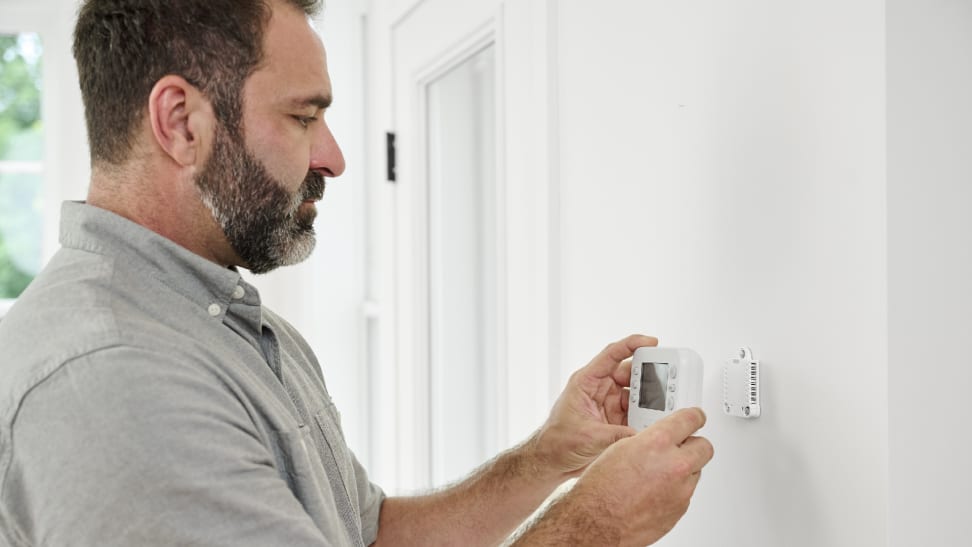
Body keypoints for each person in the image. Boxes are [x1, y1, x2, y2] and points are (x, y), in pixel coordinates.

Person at [0, 0, 714, 545]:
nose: (334, 156)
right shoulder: (113, 377)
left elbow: (369, 535)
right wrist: (595, 525)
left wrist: (546, 460)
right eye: (304, 117)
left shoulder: (237, 325)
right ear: (182, 122)